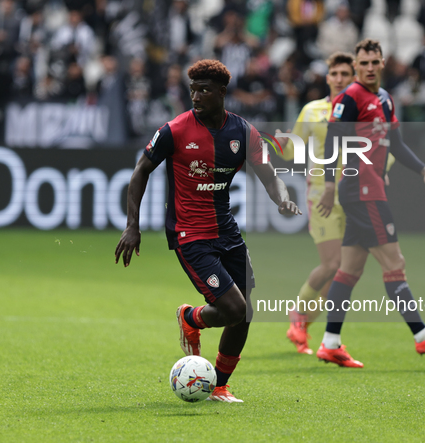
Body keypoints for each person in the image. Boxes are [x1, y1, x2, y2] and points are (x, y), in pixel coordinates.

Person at [115, 59, 301, 401]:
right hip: (190, 234)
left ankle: (219, 386)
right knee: (233, 308)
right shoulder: (175, 130)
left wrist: (282, 199)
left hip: (227, 231)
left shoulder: (243, 132)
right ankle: (191, 317)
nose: (196, 97)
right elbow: (141, 170)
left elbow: (269, 175)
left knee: (246, 312)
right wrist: (132, 226)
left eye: (203, 90)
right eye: (192, 90)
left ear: (222, 93)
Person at [316, 39, 425, 367]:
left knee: (349, 270)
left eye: (374, 62)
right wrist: (328, 184)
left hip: (370, 191)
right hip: (362, 192)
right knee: (394, 264)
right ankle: (423, 336)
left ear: (383, 64)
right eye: (363, 63)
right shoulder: (350, 97)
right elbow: (331, 142)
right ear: (356, 65)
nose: (369, 68)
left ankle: (330, 343)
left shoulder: (385, 99)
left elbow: (395, 143)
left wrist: (423, 168)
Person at [282, 52, 395, 355]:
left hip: (358, 196)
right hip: (323, 195)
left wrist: (382, 171)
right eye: (335, 74)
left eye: (346, 74)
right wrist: (278, 144)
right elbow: (292, 150)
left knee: (344, 275)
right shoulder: (312, 110)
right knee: (332, 264)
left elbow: (387, 147)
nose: (340, 79)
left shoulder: (364, 108)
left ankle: (303, 325)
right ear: (328, 77)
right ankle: (298, 315)